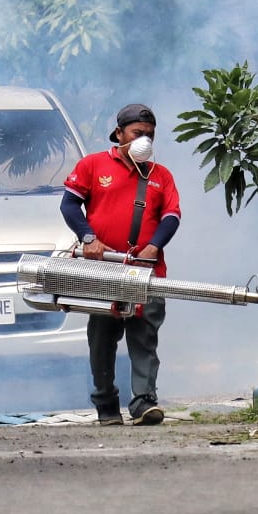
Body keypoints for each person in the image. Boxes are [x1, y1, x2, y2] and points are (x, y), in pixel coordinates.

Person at [60, 103, 182, 426]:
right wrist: (88, 238)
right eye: (137, 134)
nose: (145, 141)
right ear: (119, 134)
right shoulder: (92, 165)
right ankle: (106, 403)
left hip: (146, 272)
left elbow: (171, 216)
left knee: (144, 337)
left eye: (150, 136)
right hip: (104, 270)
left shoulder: (161, 176)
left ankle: (144, 403)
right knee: (102, 339)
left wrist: (154, 246)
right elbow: (70, 205)